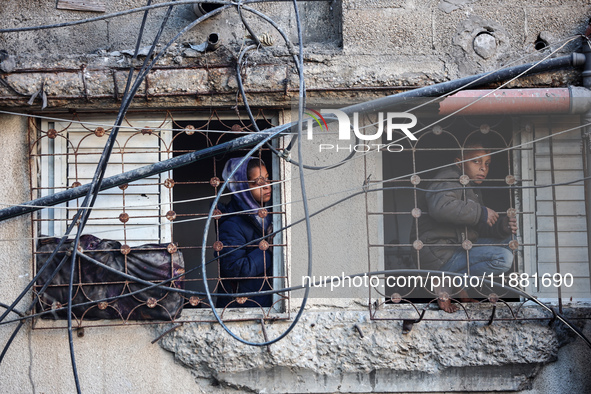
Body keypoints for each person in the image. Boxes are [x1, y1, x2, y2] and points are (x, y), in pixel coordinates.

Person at [412, 139, 517, 312]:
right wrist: (481, 212)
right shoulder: (447, 178)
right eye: (476, 161)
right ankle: (447, 282)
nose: (483, 168)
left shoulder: (469, 186)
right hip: (440, 254)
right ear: (459, 162)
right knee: (503, 259)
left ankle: (456, 285)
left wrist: (500, 227)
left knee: (511, 241)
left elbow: (473, 226)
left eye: (487, 163)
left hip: (458, 248)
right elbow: (441, 208)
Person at [215, 156, 273, 308]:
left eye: (267, 179)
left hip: (264, 305)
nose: (267, 186)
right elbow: (234, 268)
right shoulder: (232, 224)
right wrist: (270, 249)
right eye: (259, 182)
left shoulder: (267, 216)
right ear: (241, 186)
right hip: (241, 308)